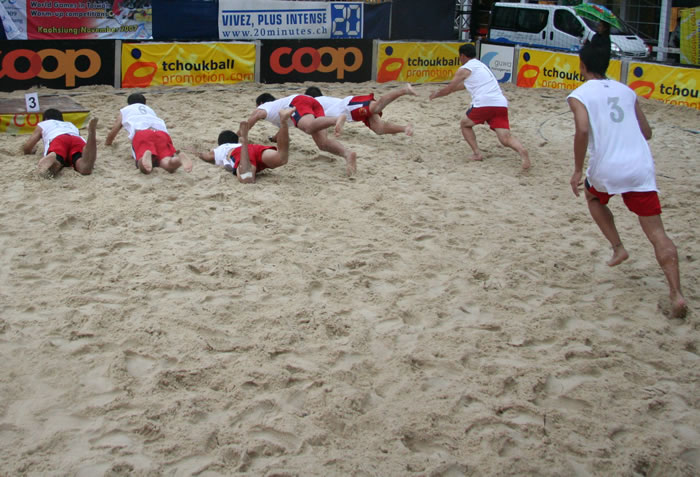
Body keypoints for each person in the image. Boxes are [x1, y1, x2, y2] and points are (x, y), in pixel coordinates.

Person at [567, 43, 687, 318]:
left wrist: (576, 170)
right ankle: (676, 293)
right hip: (639, 167)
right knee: (657, 233)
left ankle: (618, 248)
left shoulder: (579, 94)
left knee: (593, 197)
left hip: (607, 167)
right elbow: (647, 132)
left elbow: (582, 130)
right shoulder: (626, 90)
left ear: (582, 65)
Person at [429, 43, 530, 170]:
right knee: (505, 138)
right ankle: (521, 150)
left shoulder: (464, 69)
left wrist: (436, 94)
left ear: (463, 56)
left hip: (484, 103)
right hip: (500, 104)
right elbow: (466, 85)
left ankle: (477, 153)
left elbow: (449, 88)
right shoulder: (481, 66)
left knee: (465, 124)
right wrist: (451, 90)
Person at [245, 93, 357, 176]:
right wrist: (273, 138)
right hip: (313, 103)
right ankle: (348, 154)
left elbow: (257, 114)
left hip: (298, 101)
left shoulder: (266, 106)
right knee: (322, 143)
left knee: (308, 128)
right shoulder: (280, 113)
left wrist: (241, 134)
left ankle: (336, 119)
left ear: (260, 103)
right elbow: (281, 133)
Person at [196, 109, 294, 184]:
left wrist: (197, 153)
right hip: (254, 148)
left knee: (247, 178)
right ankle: (283, 123)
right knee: (281, 158)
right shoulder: (235, 144)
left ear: (220, 143)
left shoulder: (221, 148)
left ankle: (245, 141)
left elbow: (206, 156)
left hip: (239, 152)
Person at [105, 92, 192, 174]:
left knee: (144, 167)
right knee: (166, 163)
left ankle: (145, 157)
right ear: (144, 103)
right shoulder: (150, 110)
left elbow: (114, 131)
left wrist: (108, 142)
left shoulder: (125, 110)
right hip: (161, 134)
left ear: (128, 103)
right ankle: (177, 160)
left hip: (143, 134)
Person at [303, 84, 416, 137]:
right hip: (350, 110)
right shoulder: (325, 101)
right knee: (379, 128)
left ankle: (403, 90)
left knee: (376, 107)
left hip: (349, 106)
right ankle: (405, 128)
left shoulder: (314, 101)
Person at [22, 109, 98, 177]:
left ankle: (55, 157)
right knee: (84, 168)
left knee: (53, 169)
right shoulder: (70, 124)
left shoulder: (44, 123)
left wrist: (30, 151)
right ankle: (91, 135)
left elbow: (27, 147)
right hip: (77, 139)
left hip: (59, 138)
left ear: (46, 119)